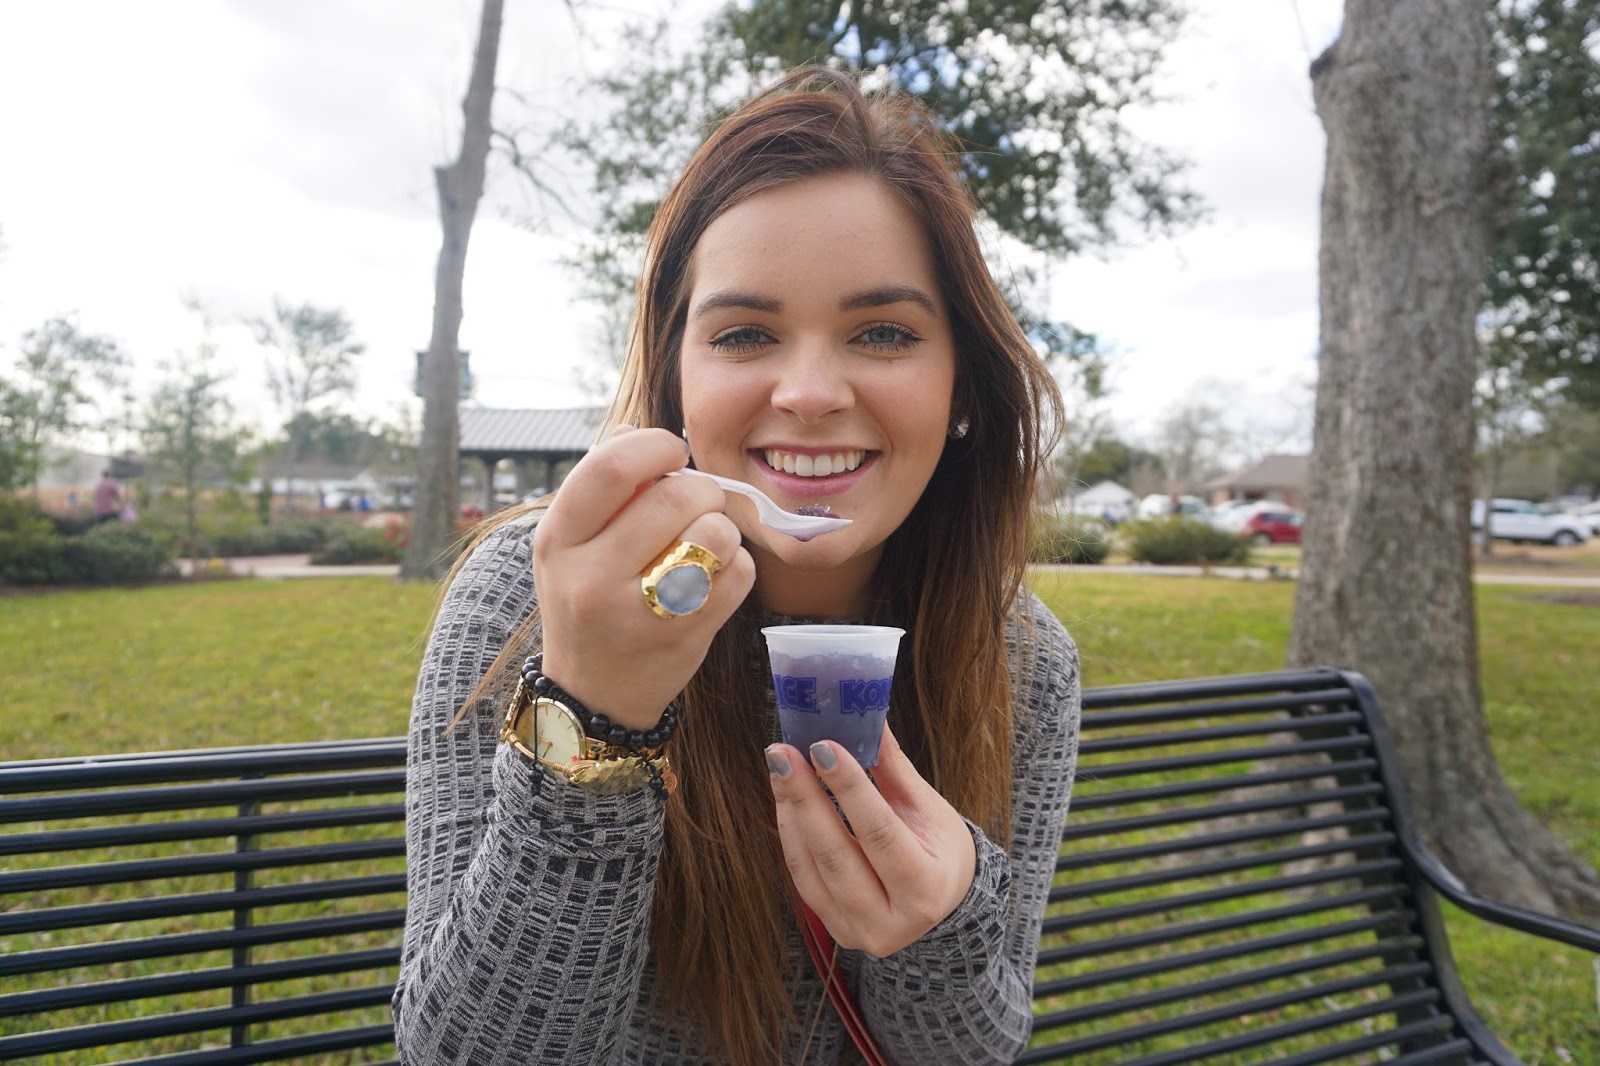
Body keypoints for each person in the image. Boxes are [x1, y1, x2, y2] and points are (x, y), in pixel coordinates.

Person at [395, 68, 1080, 1065]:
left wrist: (945, 920)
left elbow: (975, 1049)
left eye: (882, 332)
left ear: (962, 384)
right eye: (746, 333)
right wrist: (595, 721)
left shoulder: (1020, 658)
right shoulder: (533, 599)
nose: (807, 391)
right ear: (677, 375)